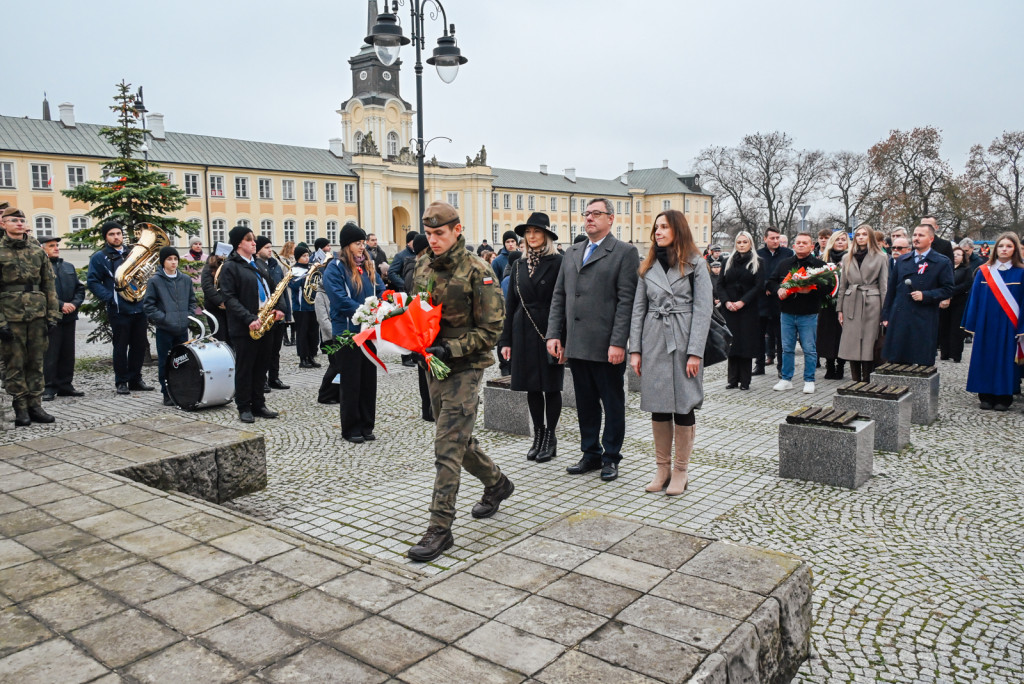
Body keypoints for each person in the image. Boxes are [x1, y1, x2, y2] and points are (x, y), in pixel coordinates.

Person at [407, 201, 513, 562]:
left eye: (439, 233)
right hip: (433, 364)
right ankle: (497, 484)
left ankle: (440, 527)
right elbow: (416, 310)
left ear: (457, 229)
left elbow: (492, 330)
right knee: (457, 436)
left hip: (465, 366)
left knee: (446, 446)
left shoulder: (478, 270)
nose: (433, 240)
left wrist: (450, 347)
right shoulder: (421, 264)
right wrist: (409, 339)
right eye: (429, 234)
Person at [547, 198, 640, 482]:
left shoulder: (624, 252)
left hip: (605, 345)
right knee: (585, 403)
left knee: (612, 403)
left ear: (611, 219)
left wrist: (618, 342)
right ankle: (590, 453)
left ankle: (611, 456)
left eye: (596, 214)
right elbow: (559, 296)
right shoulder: (573, 252)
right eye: (586, 214)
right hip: (576, 343)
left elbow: (627, 301)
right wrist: (554, 334)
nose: (589, 218)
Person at [629, 210, 712, 495]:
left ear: (678, 229)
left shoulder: (696, 264)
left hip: (684, 337)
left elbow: (704, 310)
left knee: (684, 404)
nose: (658, 232)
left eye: (664, 227)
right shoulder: (647, 265)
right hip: (653, 339)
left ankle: (681, 470)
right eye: (656, 228)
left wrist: (695, 353)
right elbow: (638, 309)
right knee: (658, 404)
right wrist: (635, 349)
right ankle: (661, 467)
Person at [499, 212, 565, 463]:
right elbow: (511, 303)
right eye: (528, 232)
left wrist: (561, 335)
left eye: (537, 232)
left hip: (549, 329)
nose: (532, 236)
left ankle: (551, 436)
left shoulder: (559, 262)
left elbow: (564, 302)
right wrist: (505, 341)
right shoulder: (517, 264)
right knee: (532, 386)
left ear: (546, 235)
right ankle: (537, 435)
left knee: (551, 386)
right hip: (523, 330)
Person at [324, 223, 383, 444]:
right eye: (358, 243)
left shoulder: (367, 266)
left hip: (369, 332)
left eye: (363, 243)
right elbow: (339, 299)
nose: (362, 247)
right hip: (348, 333)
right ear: (347, 245)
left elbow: (381, 288)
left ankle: (367, 424)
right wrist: (365, 314)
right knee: (351, 382)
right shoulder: (335, 268)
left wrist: (388, 303)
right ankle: (351, 427)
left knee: (368, 381)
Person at [218, 225, 284, 423]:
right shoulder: (231, 266)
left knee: (261, 366)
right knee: (245, 367)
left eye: (254, 239)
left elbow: (275, 289)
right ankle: (244, 406)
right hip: (245, 325)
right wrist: (249, 318)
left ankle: (259, 404)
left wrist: (279, 308)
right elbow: (229, 298)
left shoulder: (258, 264)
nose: (254, 243)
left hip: (265, 322)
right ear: (239, 243)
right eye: (250, 240)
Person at [0, 207, 59, 425]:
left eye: (21, 220)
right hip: (11, 316)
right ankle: (20, 407)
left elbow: (48, 284)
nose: (18, 223)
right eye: (13, 220)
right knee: (15, 363)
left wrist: (53, 315)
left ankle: (36, 405)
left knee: (36, 362)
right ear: (3, 224)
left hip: (37, 315)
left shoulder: (36, 250)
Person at [87, 220, 156, 395]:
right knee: (120, 346)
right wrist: (110, 297)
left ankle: (135, 379)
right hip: (119, 308)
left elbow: (146, 273)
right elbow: (93, 281)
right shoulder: (99, 257)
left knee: (139, 345)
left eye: (118, 233)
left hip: (139, 306)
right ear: (106, 237)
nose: (116, 237)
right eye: (112, 234)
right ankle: (122, 381)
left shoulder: (132, 252)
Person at [962, 232, 1024, 410]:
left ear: (1015, 250)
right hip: (986, 323)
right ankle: (985, 395)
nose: (1004, 249)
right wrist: (972, 322)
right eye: (1001, 246)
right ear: (995, 249)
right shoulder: (983, 271)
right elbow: (975, 298)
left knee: (1006, 358)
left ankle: (1004, 396)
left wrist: (1021, 326)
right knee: (985, 356)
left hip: (1009, 325)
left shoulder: (1021, 273)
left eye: (1009, 246)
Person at [881, 224, 954, 366]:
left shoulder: (941, 262)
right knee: (897, 358)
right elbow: (892, 290)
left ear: (931, 238)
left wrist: (926, 295)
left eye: (921, 235)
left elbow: (948, 289)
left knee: (921, 359)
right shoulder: (902, 260)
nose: (916, 238)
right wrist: (886, 315)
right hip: (900, 315)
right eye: (914, 235)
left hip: (924, 317)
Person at [768, 232, 826, 393]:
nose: (800, 245)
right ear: (793, 246)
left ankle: (809, 380)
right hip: (787, 312)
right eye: (798, 242)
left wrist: (809, 290)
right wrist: (778, 289)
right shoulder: (784, 263)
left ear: (811, 245)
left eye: (804, 242)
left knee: (809, 348)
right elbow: (771, 282)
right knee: (786, 348)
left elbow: (827, 287)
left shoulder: (818, 265)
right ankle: (786, 379)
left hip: (808, 313)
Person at [143, 246, 199, 406]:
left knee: (182, 361)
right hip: (165, 329)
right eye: (169, 259)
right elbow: (149, 306)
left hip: (182, 329)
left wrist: (188, 317)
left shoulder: (185, 280)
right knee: (165, 361)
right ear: (163, 262)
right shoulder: (155, 281)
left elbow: (192, 301)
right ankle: (166, 392)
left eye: (175, 259)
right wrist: (164, 319)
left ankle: (180, 390)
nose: (173, 262)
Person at [837, 224, 888, 383]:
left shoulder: (881, 257)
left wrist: (884, 312)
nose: (860, 237)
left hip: (871, 302)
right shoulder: (847, 257)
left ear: (870, 236)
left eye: (864, 234)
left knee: (868, 341)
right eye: (858, 234)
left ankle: (866, 379)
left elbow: (884, 285)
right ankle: (854, 379)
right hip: (851, 300)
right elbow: (842, 285)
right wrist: (839, 309)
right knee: (851, 342)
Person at [716, 231, 764, 391]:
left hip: (747, 309)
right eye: (739, 242)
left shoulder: (758, 262)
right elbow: (720, 284)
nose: (742, 245)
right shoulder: (727, 261)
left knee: (746, 344)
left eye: (745, 242)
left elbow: (758, 286)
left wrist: (742, 302)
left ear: (750, 243)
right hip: (729, 308)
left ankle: (745, 380)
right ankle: (732, 379)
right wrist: (726, 301)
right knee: (732, 343)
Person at [40, 236, 85, 401]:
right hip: (51, 317)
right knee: (51, 353)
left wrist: (74, 303)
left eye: (57, 245)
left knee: (68, 352)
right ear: (42, 249)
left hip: (69, 316)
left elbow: (80, 288)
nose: (56, 248)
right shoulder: (40, 268)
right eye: (51, 246)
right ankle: (49, 387)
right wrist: (60, 305)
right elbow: (41, 292)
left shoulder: (68, 266)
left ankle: (66, 385)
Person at [402, 234, 434, 422]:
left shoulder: (421, 265)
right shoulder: (415, 267)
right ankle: (427, 409)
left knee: (427, 367)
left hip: (424, 319)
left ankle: (430, 408)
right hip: (420, 321)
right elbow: (412, 292)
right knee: (424, 369)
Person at [756, 227, 794, 376]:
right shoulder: (758, 255)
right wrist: (765, 285)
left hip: (780, 300)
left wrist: (776, 288)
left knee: (781, 336)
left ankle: (781, 367)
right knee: (759, 336)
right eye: (772, 238)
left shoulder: (787, 254)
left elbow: (789, 275)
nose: (776, 241)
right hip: (762, 301)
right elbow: (756, 275)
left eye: (778, 238)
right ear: (765, 239)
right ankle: (759, 365)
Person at [254, 237, 290, 391]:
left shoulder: (274, 264)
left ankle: (274, 378)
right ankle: (261, 380)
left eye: (270, 247)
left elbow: (280, 289)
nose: (270, 250)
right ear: (258, 250)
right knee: (263, 351)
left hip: (277, 313)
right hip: (264, 312)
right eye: (266, 247)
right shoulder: (255, 266)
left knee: (275, 350)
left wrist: (282, 308)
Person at [817, 231, 848, 380]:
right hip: (827, 304)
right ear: (832, 242)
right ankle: (829, 365)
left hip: (845, 303)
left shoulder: (851, 259)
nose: (841, 242)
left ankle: (840, 365)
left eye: (843, 240)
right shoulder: (823, 259)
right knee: (827, 335)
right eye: (838, 240)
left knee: (842, 335)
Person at [288, 246, 320, 369]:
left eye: (307, 255)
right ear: (298, 258)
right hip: (301, 307)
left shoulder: (311, 268)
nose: (307, 258)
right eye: (303, 256)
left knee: (313, 333)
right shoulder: (294, 270)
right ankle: (303, 358)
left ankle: (311, 356)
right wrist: (306, 277)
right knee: (302, 333)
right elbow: (294, 286)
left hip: (313, 305)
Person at [942, 247, 973, 363]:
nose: (955, 256)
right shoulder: (946, 268)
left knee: (956, 328)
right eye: (954, 254)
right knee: (944, 326)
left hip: (959, 301)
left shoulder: (966, 270)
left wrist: (951, 291)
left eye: (959, 254)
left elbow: (967, 284)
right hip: (945, 300)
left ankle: (956, 354)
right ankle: (945, 352)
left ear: (963, 257)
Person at [200, 254, 230, 343]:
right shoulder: (209, 267)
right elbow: (207, 287)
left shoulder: (228, 264)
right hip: (215, 308)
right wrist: (220, 301)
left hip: (228, 308)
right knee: (220, 337)